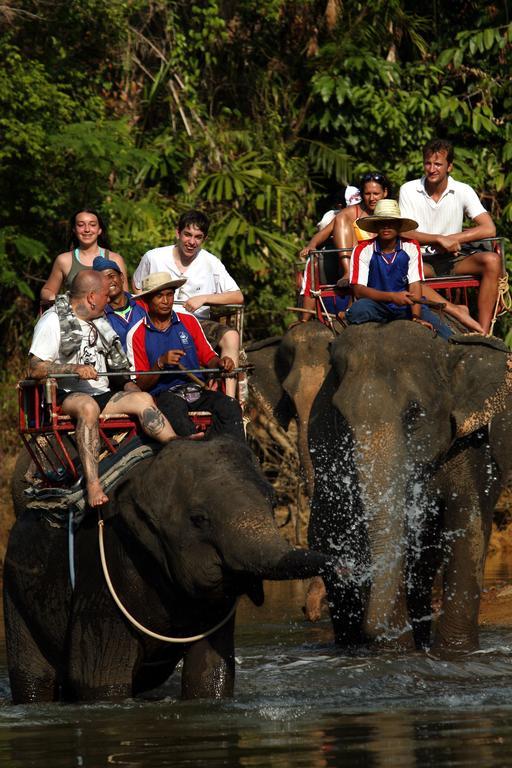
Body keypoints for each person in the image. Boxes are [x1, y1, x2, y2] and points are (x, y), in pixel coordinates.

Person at [29, 270, 179, 508]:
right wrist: (73, 368)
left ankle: (177, 449)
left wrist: (131, 387)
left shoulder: (100, 321)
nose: (109, 300)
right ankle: (92, 484)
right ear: (91, 297)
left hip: (103, 392)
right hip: (70, 395)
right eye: (104, 296)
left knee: (142, 399)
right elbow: (34, 368)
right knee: (88, 407)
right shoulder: (53, 320)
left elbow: (118, 369)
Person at [132, 210, 243, 397]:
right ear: (178, 233)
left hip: (197, 323)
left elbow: (238, 296)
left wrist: (205, 298)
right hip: (160, 321)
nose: (192, 242)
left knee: (231, 335)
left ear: (204, 239)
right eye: (188, 234)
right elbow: (136, 287)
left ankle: (230, 398)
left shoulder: (211, 262)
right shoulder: (154, 257)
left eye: (198, 237)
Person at [126, 272, 245, 442]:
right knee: (173, 408)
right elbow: (140, 384)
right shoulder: (137, 334)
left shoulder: (189, 321)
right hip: (164, 396)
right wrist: (160, 363)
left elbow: (208, 356)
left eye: (169, 295)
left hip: (196, 390)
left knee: (230, 405)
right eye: (159, 296)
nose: (166, 301)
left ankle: (235, 452)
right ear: (146, 300)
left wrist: (221, 362)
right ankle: (196, 450)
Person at [399, 138, 500, 334]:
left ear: (449, 167)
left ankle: (485, 332)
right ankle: (456, 311)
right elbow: (403, 231)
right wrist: (438, 239)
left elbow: (489, 228)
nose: (432, 169)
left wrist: (453, 239)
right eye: (428, 163)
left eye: (438, 164)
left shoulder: (462, 190)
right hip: (422, 261)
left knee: (492, 260)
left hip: (453, 259)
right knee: (402, 269)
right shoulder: (409, 189)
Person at [345, 199, 453, 340]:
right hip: (377, 305)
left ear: (399, 225)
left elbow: (415, 285)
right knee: (356, 311)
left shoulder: (411, 246)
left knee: (446, 335)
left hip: (406, 307)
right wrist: (392, 297)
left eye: (392, 222)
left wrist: (415, 317)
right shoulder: (362, 249)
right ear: (376, 226)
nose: (386, 226)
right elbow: (358, 290)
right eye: (382, 222)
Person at [298, 173, 390, 321]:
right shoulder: (350, 212)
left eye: (376, 193)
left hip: (383, 261)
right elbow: (322, 234)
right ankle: (348, 274)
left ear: (384, 193)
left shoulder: (391, 211)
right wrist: (311, 245)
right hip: (354, 262)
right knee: (340, 219)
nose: (372, 198)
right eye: (367, 194)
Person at [40, 209, 129, 305]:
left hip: (110, 317)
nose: (87, 229)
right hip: (75, 317)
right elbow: (47, 290)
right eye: (81, 225)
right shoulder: (63, 260)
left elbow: (125, 296)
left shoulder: (115, 259)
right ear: (74, 229)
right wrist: (61, 301)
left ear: (99, 230)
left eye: (92, 225)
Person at [92, 255, 147, 349]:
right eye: (103, 279)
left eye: (111, 276)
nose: (109, 282)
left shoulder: (142, 304)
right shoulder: (98, 315)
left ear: (121, 277)